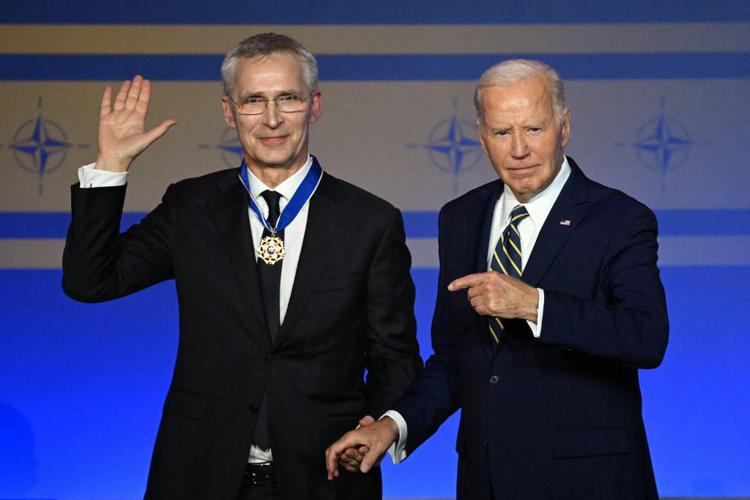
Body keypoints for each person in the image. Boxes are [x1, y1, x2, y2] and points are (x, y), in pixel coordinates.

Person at [62, 32, 421, 500]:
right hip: (198, 476)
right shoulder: (191, 207)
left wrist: (379, 425)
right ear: (229, 112)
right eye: (253, 101)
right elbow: (90, 280)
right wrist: (111, 164)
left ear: (314, 105)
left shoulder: (371, 221)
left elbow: (396, 357)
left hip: (326, 481)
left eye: (286, 98)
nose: (271, 119)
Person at [325, 59, 669, 499]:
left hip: (588, 481)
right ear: (482, 135)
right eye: (502, 132)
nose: (519, 149)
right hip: (485, 479)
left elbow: (645, 336)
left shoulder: (619, 218)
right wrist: (392, 426)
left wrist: (534, 306)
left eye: (534, 129)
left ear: (564, 127)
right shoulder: (461, 217)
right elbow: (454, 358)